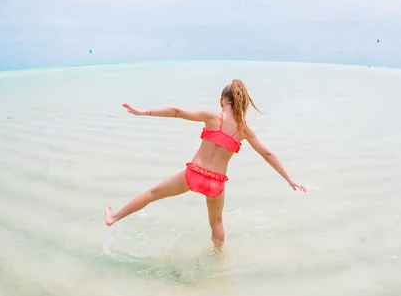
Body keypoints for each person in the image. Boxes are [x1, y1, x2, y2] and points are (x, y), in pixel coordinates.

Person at [104, 79, 306, 251]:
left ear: (222, 101)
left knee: (152, 194)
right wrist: (289, 179)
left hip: (194, 173)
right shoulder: (244, 131)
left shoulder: (212, 117)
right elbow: (267, 153)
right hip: (216, 183)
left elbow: (176, 112)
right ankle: (218, 258)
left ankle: (114, 217)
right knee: (217, 222)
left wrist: (142, 112)